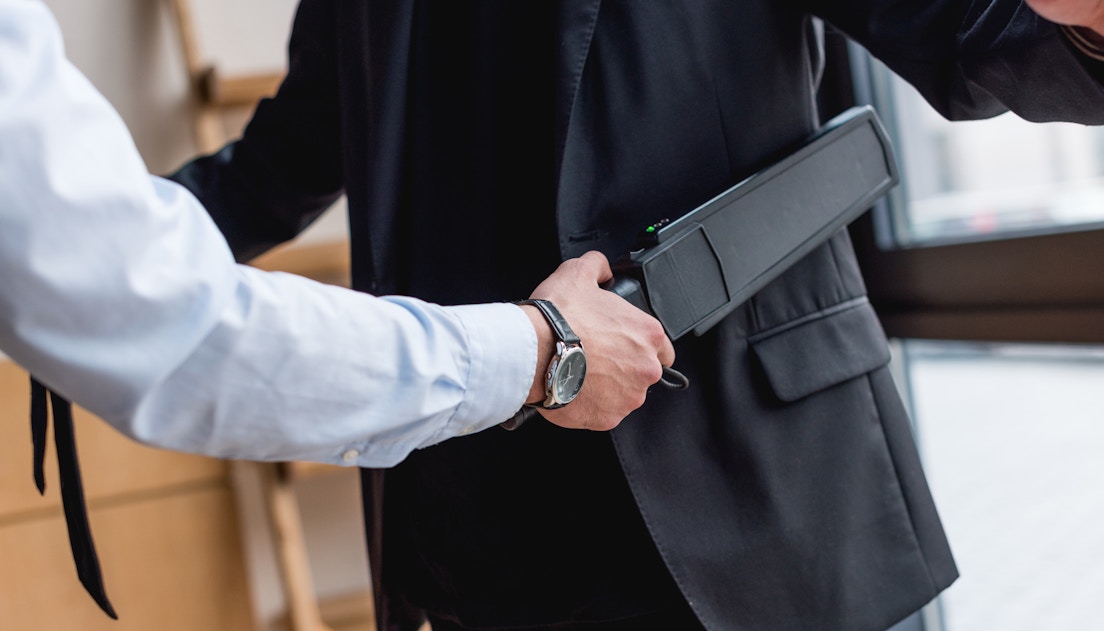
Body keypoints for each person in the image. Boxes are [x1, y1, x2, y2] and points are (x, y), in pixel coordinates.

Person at [169, 1, 1104, 631]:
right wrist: (76, 245)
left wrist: (1099, 29)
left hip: (720, 488)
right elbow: (286, 160)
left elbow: (963, 27)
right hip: (480, 515)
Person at [0, 0, 674, 465]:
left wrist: (101, 247)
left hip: (673, 426)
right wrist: (542, 349)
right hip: (467, 468)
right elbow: (308, 136)